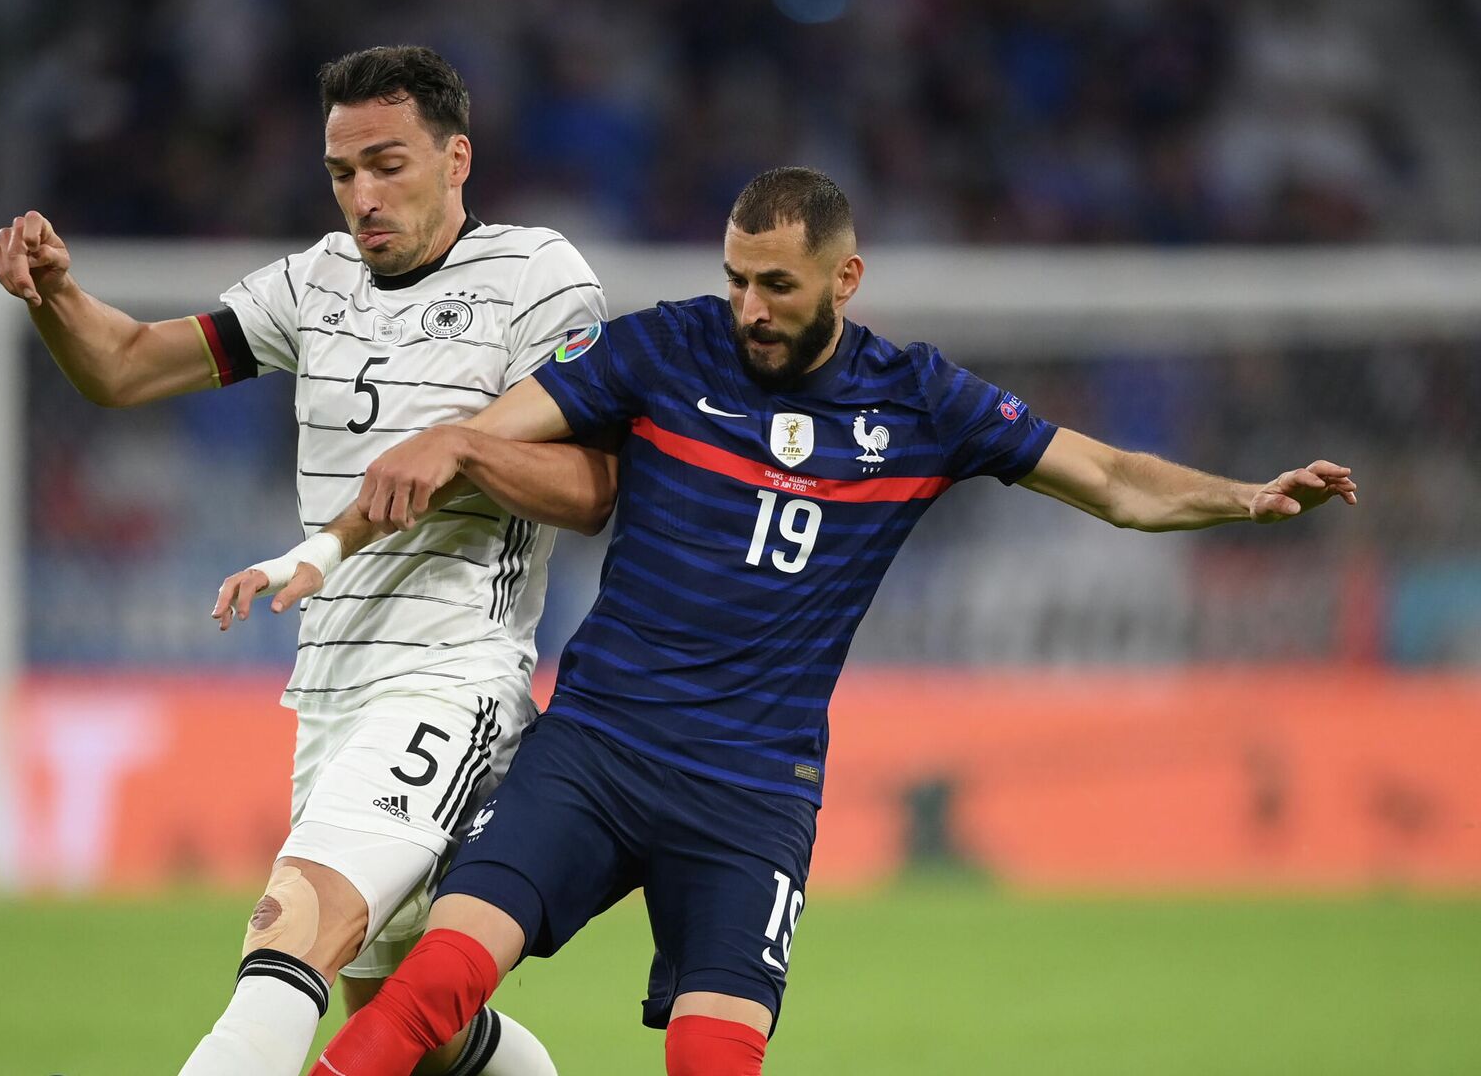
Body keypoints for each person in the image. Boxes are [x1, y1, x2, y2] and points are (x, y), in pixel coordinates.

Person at [216, 166, 1359, 1076]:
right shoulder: (666, 348)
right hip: (597, 748)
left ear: (845, 277)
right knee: (435, 983)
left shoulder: (920, 401)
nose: (751, 311)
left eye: (777, 287)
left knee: (717, 1057)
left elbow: (1108, 478)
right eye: (737, 281)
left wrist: (1244, 500)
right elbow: (460, 443)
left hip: (753, 793)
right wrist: (324, 548)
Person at [0, 45, 612, 1076]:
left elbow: (596, 489)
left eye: (389, 164)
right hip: (330, 690)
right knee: (418, 1029)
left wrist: (465, 448)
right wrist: (56, 296)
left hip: (451, 679)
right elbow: (127, 367)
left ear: (458, 159)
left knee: (290, 924)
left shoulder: (537, 277)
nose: (362, 196)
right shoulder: (313, 282)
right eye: (341, 172)